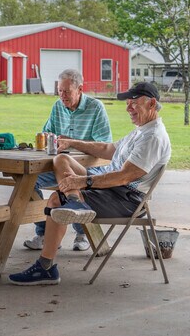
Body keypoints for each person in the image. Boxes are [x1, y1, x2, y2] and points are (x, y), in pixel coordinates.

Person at [9, 82, 171, 285]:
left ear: (151, 103)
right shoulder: (142, 131)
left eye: (133, 103)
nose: (128, 108)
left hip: (125, 198)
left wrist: (83, 181)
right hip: (111, 187)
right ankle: (75, 201)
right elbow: (107, 149)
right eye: (127, 103)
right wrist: (72, 142)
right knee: (62, 160)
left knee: (56, 199)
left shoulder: (153, 137)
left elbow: (124, 177)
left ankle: (45, 267)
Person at [23, 69, 112, 252]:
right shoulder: (57, 106)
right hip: (57, 165)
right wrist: (49, 136)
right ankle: (44, 233)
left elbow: (104, 145)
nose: (62, 96)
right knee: (28, 181)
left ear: (80, 89)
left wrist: (72, 143)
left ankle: (82, 233)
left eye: (67, 91)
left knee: (70, 183)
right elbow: (48, 131)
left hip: (86, 168)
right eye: (60, 91)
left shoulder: (96, 108)